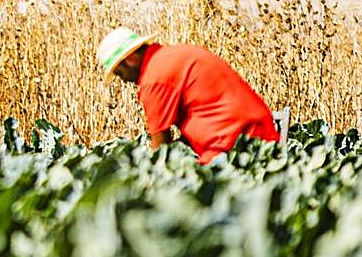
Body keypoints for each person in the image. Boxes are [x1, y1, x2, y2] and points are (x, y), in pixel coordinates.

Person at [97, 27, 279, 164]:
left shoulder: (154, 77)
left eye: (120, 74)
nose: (125, 81)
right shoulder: (173, 55)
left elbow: (161, 147)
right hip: (252, 133)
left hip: (234, 145)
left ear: (131, 59)